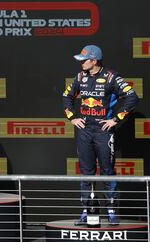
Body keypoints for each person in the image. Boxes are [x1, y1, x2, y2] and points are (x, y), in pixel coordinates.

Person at [62, 45, 138, 226]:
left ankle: (111, 211)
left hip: (104, 131)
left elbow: (132, 97)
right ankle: (86, 211)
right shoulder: (80, 77)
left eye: (84, 59)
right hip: (85, 130)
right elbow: (66, 97)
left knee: (107, 172)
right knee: (86, 173)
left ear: (94, 60)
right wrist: (72, 117)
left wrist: (116, 119)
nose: (81, 63)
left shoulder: (112, 77)